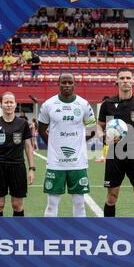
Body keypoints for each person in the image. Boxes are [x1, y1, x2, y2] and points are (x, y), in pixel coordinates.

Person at [97, 67, 134, 217]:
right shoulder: (107, 104)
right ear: (116, 81)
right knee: (111, 197)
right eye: (122, 78)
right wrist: (102, 136)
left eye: (128, 78)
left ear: (133, 81)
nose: (125, 81)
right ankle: (108, 232)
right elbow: (99, 125)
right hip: (114, 154)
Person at [38, 74, 96, 218]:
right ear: (58, 83)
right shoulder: (48, 104)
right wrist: (51, 145)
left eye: (70, 82)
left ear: (74, 84)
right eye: (64, 82)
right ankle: (49, 236)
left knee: (79, 203)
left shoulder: (83, 104)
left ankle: (80, 235)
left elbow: (92, 129)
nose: (67, 85)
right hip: (55, 163)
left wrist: (81, 142)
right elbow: (41, 128)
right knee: (51, 204)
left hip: (78, 163)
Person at [0, 92, 35, 217]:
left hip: (18, 167)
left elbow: (28, 147)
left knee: (17, 205)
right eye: (6, 102)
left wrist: (32, 169)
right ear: (1, 104)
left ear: (15, 104)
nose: (9, 104)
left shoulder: (23, 124)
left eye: (11, 102)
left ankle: (18, 234)